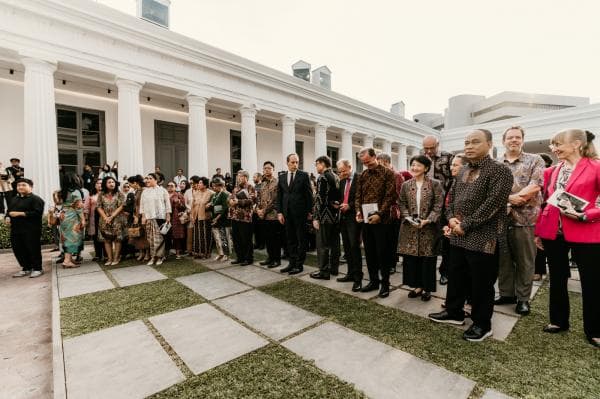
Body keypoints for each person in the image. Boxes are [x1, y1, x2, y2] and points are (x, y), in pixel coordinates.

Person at [428, 129, 513, 342]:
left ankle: (482, 324)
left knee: (481, 283)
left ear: (490, 144)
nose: (469, 146)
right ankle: (454, 312)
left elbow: (493, 204)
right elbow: (451, 198)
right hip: (458, 234)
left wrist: (465, 224)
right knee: (456, 275)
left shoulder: (500, 171)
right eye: (466, 142)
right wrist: (450, 219)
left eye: (475, 142)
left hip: (484, 237)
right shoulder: (464, 168)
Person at [535, 129, 600, 348]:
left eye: (558, 144)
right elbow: (546, 202)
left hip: (587, 232)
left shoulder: (596, 167)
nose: (553, 148)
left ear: (576, 144)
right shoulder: (552, 171)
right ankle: (558, 321)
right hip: (554, 232)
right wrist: (540, 232)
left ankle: (595, 330)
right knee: (557, 278)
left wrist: (585, 215)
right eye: (552, 144)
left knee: (591, 282)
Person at [495, 126, 545, 315]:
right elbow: (492, 190)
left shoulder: (535, 160)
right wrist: (509, 199)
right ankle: (507, 294)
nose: (514, 140)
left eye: (517, 137)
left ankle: (523, 299)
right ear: (504, 141)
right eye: (510, 137)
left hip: (526, 219)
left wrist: (516, 198)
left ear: (523, 140)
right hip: (501, 220)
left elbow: (536, 185)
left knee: (526, 261)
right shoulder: (497, 163)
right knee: (503, 260)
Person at [398, 155, 444, 301]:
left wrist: (429, 220)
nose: (414, 168)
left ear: (426, 168)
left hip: (428, 228)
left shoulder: (435, 184)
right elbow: (402, 203)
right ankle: (417, 286)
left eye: (418, 165)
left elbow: (438, 205)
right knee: (412, 259)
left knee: (427, 259)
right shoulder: (406, 184)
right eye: (412, 165)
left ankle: (427, 289)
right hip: (410, 228)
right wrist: (408, 217)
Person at [355, 147, 399, 298]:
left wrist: (380, 214)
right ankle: (373, 281)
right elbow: (358, 195)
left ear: (375, 157)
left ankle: (385, 284)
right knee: (369, 252)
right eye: (363, 163)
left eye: (368, 161)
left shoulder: (388, 173)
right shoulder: (363, 175)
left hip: (382, 220)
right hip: (366, 219)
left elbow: (390, 196)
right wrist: (358, 211)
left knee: (383, 253)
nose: (366, 165)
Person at [276, 153, 313, 274]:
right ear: (287, 163)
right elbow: (280, 196)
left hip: (300, 213)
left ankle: (299, 265)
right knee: (290, 239)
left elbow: (309, 195)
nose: (295, 164)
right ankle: (291, 263)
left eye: (297, 162)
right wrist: (280, 212)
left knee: (301, 240)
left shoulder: (304, 175)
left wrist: (309, 211)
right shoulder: (282, 177)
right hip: (286, 213)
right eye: (293, 162)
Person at [310, 155, 341, 280]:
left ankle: (324, 271)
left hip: (324, 216)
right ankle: (334, 269)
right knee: (335, 244)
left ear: (322, 164)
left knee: (322, 244)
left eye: (317, 164)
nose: (316, 167)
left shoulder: (322, 177)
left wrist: (316, 217)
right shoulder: (336, 176)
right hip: (335, 215)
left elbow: (320, 199)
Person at [7, 178, 45, 278]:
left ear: (31, 187)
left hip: (31, 229)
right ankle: (26, 268)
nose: (20, 187)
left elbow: (37, 213)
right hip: (16, 229)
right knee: (18, 250)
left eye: (24, 185)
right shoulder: (14, 199)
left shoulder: (36, 199)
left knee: (33, 249)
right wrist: (7, 217)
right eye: (19, 185)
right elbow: (9, 211)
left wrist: (20, 213)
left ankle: (37, 268)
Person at [335, 159, 363, 292]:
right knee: (346, 248)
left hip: (354, 218)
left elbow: (361, 198)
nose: (341, 174)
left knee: (354, 247)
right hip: (343, 218)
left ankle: (358, 278)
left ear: (350, 167)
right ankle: (350, 274)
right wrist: (338, 203)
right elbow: (342, 198)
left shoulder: (359, 178)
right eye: (339, 172)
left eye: (343, 171)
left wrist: (350, 206)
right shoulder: (341, 181)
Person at [439, 154, 465, 286]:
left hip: (463, 227)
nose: (451, 167)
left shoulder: (469, 183)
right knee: (446, 252)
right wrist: (446, 223)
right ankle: (444, 274)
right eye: (451, 164)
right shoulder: (451, 181)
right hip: (449, 223)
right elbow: (446, 204)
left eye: (455, 165)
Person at [376, 152, 404, 274]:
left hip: (392, 212)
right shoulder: (380, 175)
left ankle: (392, 264)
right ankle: (383, 262)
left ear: (386, 162)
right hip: (380, 211)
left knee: (392, 240)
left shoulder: (396, 175)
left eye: (379, 163)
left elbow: (397, 195)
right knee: (382, 239)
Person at [140, 173, 171, 265]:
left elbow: (167, 204)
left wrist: (168, 215)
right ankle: (153, 257)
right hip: (149, 218)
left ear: (156, 180)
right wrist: (143, 216)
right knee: (151, 239)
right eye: (147, 178)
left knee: (159, 239)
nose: (147, 180)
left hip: (160, 217)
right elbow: (142, 205)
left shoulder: (163, 190)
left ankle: (160, 257)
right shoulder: (145, 192)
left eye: (150, 178)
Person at [97, 176, 127, 266]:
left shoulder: (119, 193)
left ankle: (116, 258)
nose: (111, 184)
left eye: (113, 182)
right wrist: (106, 217)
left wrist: (112, 216)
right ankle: (109, 258)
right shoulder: (101, 194)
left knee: (117, 239)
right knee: (107, 239)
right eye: (109, 182)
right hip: (104, 220)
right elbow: (98, 207)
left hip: (117, 219)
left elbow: (122, 206)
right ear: (105, 184)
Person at [256, 161, 281, 267]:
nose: (267, 170)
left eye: (269, 168)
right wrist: (258, 210)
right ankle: (270, 258)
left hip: (273, 215)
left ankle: (276, 260)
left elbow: (275, 201)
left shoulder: (277, 183)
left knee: (275, 239)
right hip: (264, 216)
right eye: (265, 168)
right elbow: (258, 198)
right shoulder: (262, 183)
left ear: (273, 170)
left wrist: (264, 211)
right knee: (267, 239)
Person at [533, 153, 554, 281]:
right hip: (535, 211)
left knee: (543, 243)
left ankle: (540, 271)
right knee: (537, 243)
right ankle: (538, 270)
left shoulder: (551, 174)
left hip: (547, 210)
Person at [229, 170, 257, 266]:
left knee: (246, 239)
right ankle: (240, 257)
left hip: (245, 217)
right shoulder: (236, 188)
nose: (238, 178)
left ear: (246, 177)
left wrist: (238, 202)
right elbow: (232, 198)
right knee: (237, 239)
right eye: (238, 177)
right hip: (235, 217)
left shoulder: (251, 187)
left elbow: (251, 200)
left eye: (241, 176)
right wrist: (231, 201)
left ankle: (248, 258)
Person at [59, 172, 86, 268]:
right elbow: (79, 207)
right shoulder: (76, 191)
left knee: (66, 237)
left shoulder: (62, 192)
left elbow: (58, 204)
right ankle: (67, 261)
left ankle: (70, 259)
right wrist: (83, 219)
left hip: (64, 216)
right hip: (73, 217)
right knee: (72, 238)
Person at [190, 176, 214, 259]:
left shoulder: (211, 193)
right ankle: (197, 253)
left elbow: (213, 204)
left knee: (205, 235)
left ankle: (206, 253)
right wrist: (192, 216)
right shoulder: (196, 193)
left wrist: (209, 205)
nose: (199, 184)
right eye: (199, 183)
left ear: (205, 184)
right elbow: (193, 205)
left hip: (205, 217)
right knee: (196, 235)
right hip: (196, 216)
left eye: (200, 183)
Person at [127, 175, 150, 262]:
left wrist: (138, 216)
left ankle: (147, 253)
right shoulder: (137, 191)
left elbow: (142, 205)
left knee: (144, 235)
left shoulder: (144, 191)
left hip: (142, 215)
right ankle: (141, 252)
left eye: (130, 184)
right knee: (138, 235)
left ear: (135, 183)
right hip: (136, 215)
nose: (130, 186)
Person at [210, 178, 232, 261]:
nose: (213, 188)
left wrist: (217, 218)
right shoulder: (214, 195)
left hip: (223, 219)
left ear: (221, 186)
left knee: (224, 237)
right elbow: (213, 204)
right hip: (215, 218)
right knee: (217, 237)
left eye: (215, 186)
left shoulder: (225, 194)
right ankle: (220, 253)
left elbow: (225, 208)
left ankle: (227, 254)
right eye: (212, 186)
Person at [166, 181, 186, 259]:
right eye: (168, 185)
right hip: (166, 217)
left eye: (172, 186)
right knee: (166, 235)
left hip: (175, 217)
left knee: (176, 236)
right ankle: (167, 252)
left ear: (175, 187)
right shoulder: (165, 195)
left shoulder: (179, 195)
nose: (170, 187)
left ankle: (177, 253)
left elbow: (183, 207)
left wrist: (179, 202)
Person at [86, 179, 104, 262]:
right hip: (93, 218)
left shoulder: (107, 194)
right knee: (96, 237)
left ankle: (107, 254)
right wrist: (85, 218)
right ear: (95, 185)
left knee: (105, 235)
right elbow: (86, 208)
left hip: (105, 218)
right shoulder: (91, 195)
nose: (99, 185)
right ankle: (98, 254)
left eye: (101, 183)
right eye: (98, 183)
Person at [252, 172, 265, 250]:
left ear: (259, 178)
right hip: (254, 210)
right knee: (256, 228)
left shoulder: (262, 186)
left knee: (261, 228)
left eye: (254, 177)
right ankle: (257, 243)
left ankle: (262, 244)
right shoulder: (254, 187)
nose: (253, 178)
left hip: (261, 209)